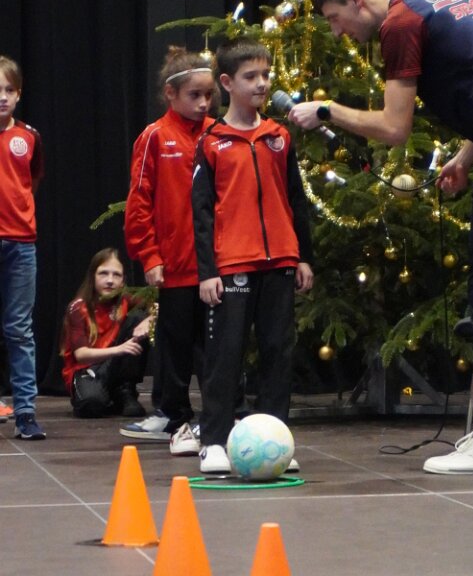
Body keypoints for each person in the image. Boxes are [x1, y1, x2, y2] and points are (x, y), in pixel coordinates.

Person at [287, 0, 473, 475]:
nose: (338, 33)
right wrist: (467, 154)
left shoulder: (399, 25)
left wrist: (326, 110)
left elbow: (395, 128)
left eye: (335, 19)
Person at [192, 37, 314, 473]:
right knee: (225, 355)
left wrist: (302, 256)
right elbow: (201, 213)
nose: (262, 83)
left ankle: (276, 441)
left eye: (265, 74)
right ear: (227, 83)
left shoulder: (279, 137)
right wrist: (208, 271)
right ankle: (214, 441)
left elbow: (296, 199)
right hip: (232, 265)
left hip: (280, 260)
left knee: (278, 353)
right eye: (251, 77)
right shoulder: (212, 141)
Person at [120, 46, 222, 456]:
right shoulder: (155, 137)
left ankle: (218, 415)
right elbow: (139, 202)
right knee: (175, 342)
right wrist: (150, 255)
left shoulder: (218, 134)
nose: (203, 104)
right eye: (194, 95)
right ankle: (171, 413)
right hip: (175, 264)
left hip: (215, 265)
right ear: (171, 94)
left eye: (209, 95)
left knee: (214, 345)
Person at [0, 55, 46, 439]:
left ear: (18, 94)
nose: (2, 97)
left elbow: (32, 179)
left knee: (19, 329)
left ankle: (26, 413)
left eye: (8, 90)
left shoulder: (29, 136)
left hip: (20, 243)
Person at [61, 248, 152, 418]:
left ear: (123, 281)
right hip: (87, 369)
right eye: (103, 273)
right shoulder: (78, 308)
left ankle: (125, 390)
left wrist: (149, 320)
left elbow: (158, 305)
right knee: (92, 406)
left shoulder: (125, 299)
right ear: (93, 277)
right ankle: (104, 395)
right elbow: (81, 355)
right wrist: (120, 349)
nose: (110, 280)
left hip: (114, 366)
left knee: (139, 317)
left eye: (116, 275)